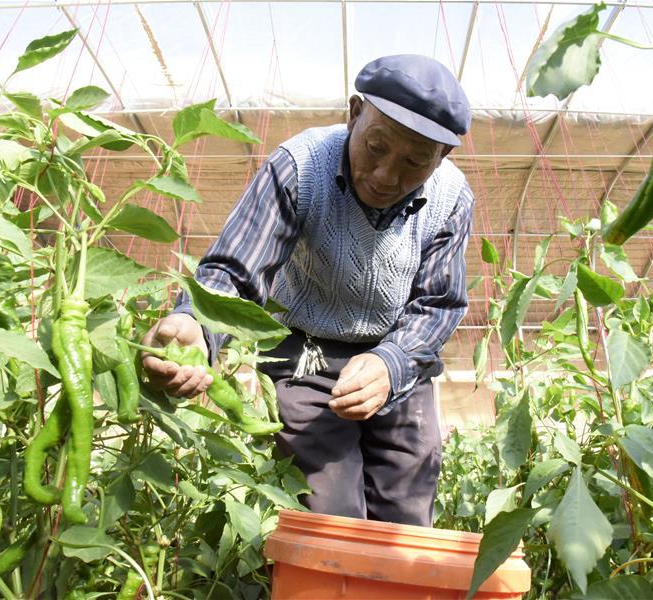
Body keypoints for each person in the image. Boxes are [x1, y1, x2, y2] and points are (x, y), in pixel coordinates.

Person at [141, 54, 475, 527]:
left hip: (396, 355)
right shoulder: (300, 167)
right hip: (307, 350)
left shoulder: (453, 199)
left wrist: (390, 362)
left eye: (414, 163)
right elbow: (236, 271)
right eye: (376, 147)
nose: (385, 176)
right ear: (355, 113)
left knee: (406, 517)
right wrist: (196, 325)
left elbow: (436, 304)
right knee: (327, 513)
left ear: (442, 158)